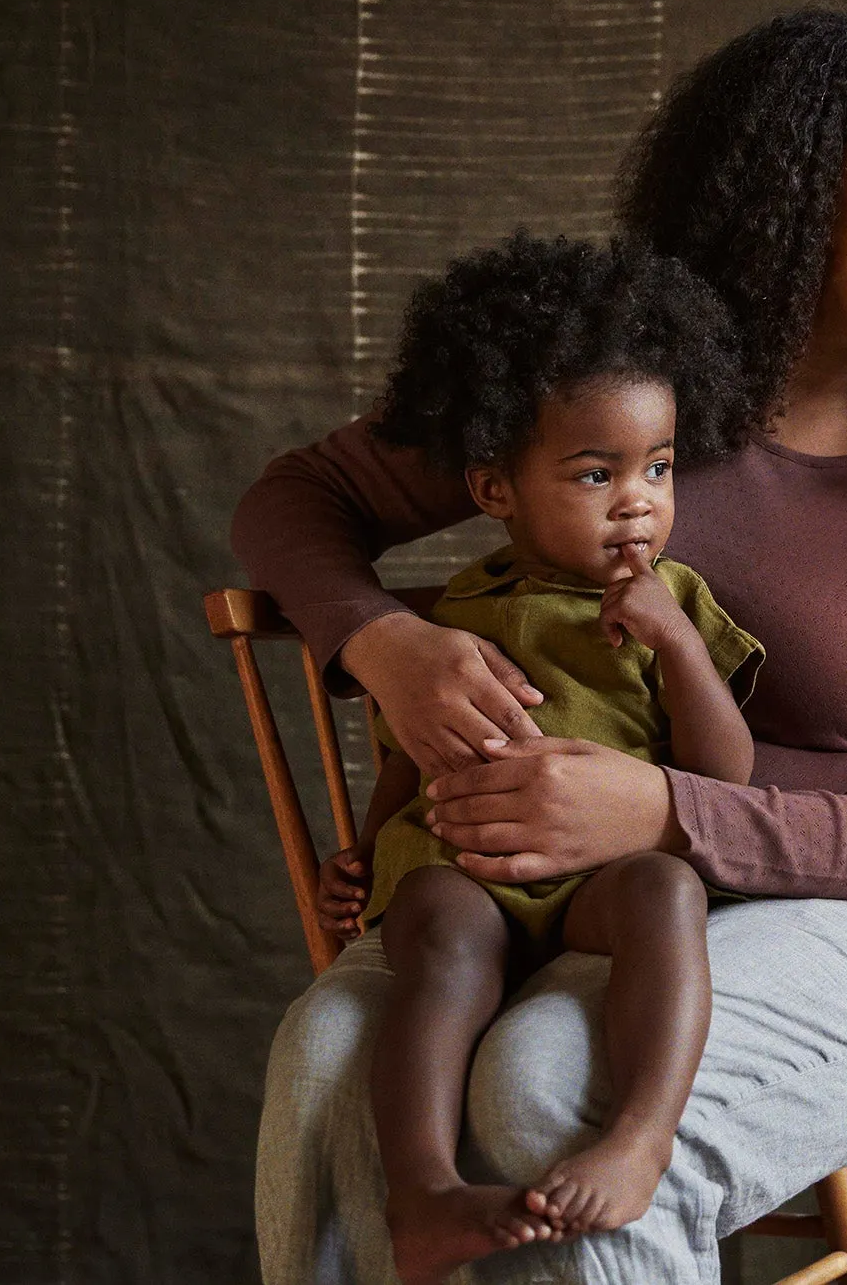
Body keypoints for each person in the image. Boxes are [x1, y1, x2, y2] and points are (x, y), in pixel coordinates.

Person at [232, 0, 847, 1284]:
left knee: (548, 1081)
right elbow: (295, 503)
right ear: (801, 190)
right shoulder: (616, 389)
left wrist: (660, 810)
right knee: (325, 1060)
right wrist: (382, 644)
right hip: (549, 901)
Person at [333, 234, 764, 1282]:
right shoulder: (455, 613)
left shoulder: (678, 604)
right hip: (470, 870)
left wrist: (673, 645)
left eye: (658, 469)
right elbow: (412, 752)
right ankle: (425, 1193)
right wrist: (362, 847)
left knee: (666, 891)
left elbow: (727, 777)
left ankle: (640, 1134)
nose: (637, 501)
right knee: (434, 936)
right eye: (594, 472)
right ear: (495, 488)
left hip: (596, 884)